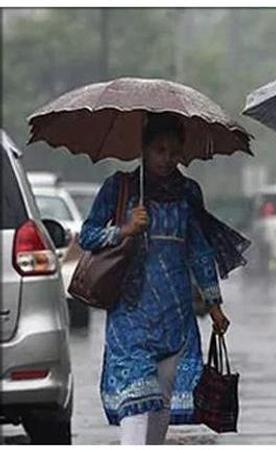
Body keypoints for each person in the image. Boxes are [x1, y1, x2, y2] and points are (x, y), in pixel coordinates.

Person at [79, 112, 248, 444]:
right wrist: (125, 229)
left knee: (161, 405)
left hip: (176, 319)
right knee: (136, 401)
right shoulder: (120, 188)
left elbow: (199, 251)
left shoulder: (188, 193)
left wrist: (214, 304)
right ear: (143, 149)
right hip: (130, 317)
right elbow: (87, 236)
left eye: (174, 151)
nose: (167, 159)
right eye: (159, 150)